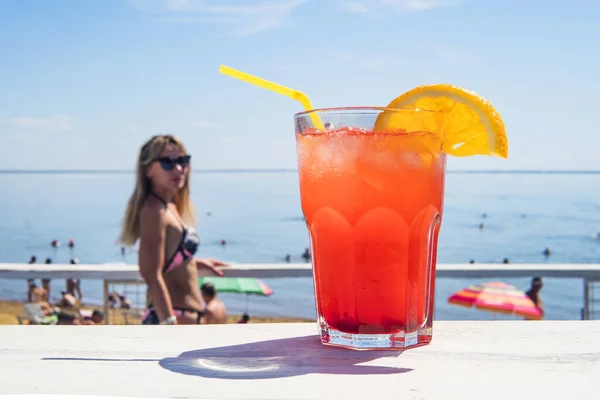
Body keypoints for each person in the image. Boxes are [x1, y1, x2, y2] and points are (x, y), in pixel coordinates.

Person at [118, 134, 229, 325]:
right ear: (148, 170)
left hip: (183, 317)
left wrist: (194, 263)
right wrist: (169, 324)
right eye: (167, 163)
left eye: (182, 161)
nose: (178, 169)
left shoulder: (169, 206)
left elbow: (167, 259)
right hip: (173, 318)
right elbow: (151, 274)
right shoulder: (154, 211)